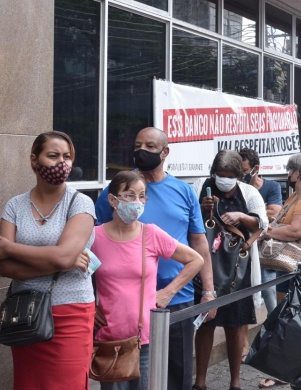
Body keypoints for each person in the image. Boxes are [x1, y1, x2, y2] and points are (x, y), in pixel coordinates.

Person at [95, 127, 214, 390]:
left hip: (176, 299)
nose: (142, 152)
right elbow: (96, 245)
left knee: (175, 375)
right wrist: (93, 302)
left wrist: (208, 291)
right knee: (122, 378)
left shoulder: (183, 191)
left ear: (165, 152)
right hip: (124, 307)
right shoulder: (113, 192)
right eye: (138, 146)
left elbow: (199, 245)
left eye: (150, 147)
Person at [0, 131, 96, 390]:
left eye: (67, 157)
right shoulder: (14, 205)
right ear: (34, 160)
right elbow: (5, 267)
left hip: (71, 312)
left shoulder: (81, 203)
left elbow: (63, 255)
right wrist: (64, 260)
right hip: (25, 313)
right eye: (53, 156)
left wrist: (12, 248)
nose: (62, 163)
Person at [191, 150, 268, 390]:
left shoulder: (249, 193)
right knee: (205, 325)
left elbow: (263, 224)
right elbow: (188, 220)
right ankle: (200, 382)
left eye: (229, 175)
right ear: (212, 173)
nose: (223, 180)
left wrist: (242, 217)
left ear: (238, 175)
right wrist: (202, 209)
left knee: (236, 327)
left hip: (238, 271)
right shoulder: (199, 187)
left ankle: (235, 383)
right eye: (219, 175)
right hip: (205, 270)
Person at [257, 151, 301, 390]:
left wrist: (267, 232)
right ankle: (285, 373)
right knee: (289, 323)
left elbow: (297, 231)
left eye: (291, 169)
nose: (288, 173)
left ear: (298, 171)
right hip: (290, 266)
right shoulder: (298, 195)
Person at [238, 148, 282, 360]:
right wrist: (257, 214)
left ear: (255, 169)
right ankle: (243, 342)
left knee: (269, 292)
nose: (240, 174)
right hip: (243, 249)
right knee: (244, 294)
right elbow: (258, 217)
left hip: (265, 251)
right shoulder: (238, 187)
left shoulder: (271, 186)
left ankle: (276, 336)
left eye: (244, 170)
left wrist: (253, 215)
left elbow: (274, 213)